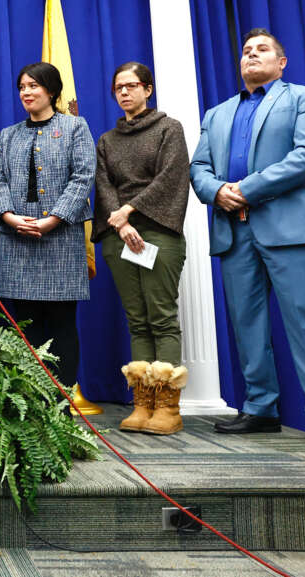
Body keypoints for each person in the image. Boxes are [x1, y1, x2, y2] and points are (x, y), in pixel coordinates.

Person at [190, 28, 305, 449]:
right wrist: (216, 191)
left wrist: (247, 188)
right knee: (247, 326)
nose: (251, 55)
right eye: (245, 51)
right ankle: (260, 408)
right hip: (235, 232)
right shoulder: (217, 113)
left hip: (290, 230)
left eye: (261, 50)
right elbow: (198, 168)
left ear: (282, 63)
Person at [93, 62, 190, 435]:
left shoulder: (169, 128)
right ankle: (143, 403)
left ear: (148, 89)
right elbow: (104, 185)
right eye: (118, 87)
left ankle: (168, 407)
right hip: (121, 237)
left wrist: (129, 211)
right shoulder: (107, 140)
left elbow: (172, 177)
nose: (124, 92)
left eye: (132, 86)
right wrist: (121, 223)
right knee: (137, 320)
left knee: (161, 317)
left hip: (159, 233)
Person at [0, 63, 95, 388]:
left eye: (33, 86)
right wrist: (8, 216)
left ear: (51, 90)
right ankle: (28, 406)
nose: (26, 93)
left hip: (60, 241)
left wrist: (52, 219)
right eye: (22, 87)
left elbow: (83, 177)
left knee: (61, 326)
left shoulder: (75, 128)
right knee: (24, 327)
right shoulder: (8, 135)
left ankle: (60, 407)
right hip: (17, 241)